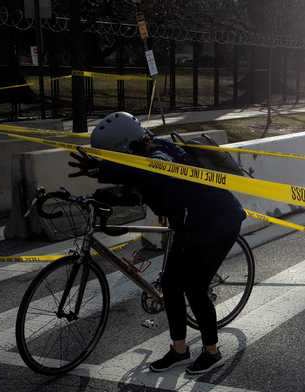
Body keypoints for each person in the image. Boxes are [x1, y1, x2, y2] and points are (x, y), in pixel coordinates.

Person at [68, 112, 246, 374]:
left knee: (195, 288)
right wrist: (96, 194)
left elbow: (150, 175)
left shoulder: (160, 156)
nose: (111, 160)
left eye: (112, 154)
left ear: (126, 146)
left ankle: (211, 351)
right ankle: (179, 349)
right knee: (171, 284)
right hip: (187, 222)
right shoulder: (146, 153)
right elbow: (137, 188)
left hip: (218, 222)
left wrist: (104, 170)